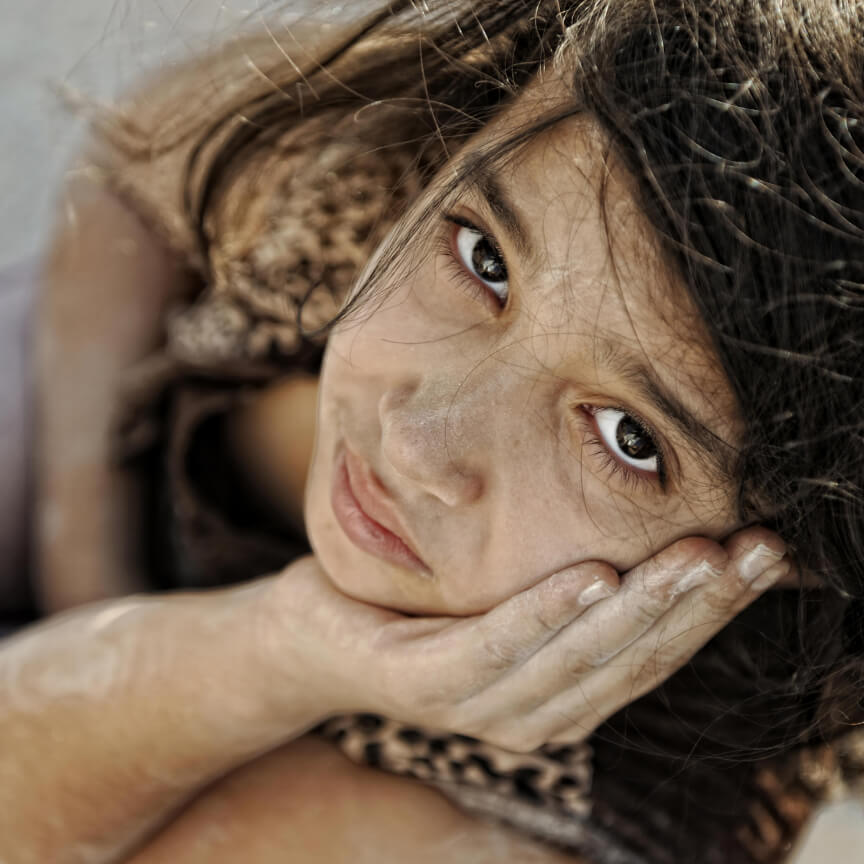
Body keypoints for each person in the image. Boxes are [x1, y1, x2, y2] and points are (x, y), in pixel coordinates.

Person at [3, 0, 863, 861]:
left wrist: (281, 653)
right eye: (487, 262)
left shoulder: (528, 819)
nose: (418, 442)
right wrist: (87, 556)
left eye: (626, 436)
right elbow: (138, 162)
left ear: (794, 552)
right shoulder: (432, 161)